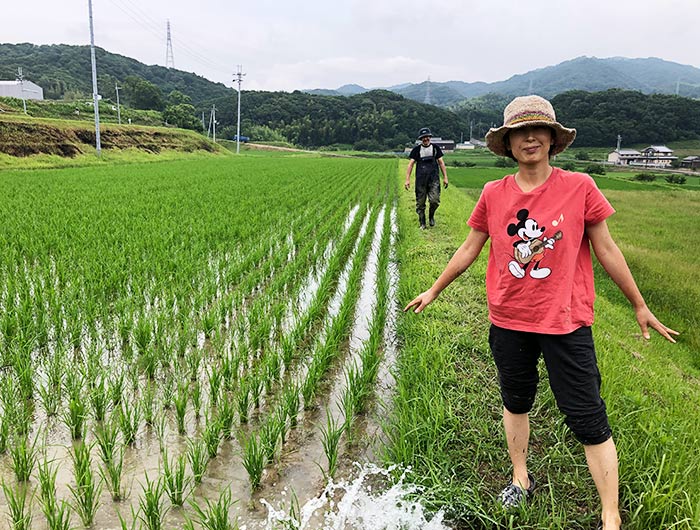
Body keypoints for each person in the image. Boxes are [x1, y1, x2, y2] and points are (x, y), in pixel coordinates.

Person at [403, 95, 678, 530]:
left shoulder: (580, 187)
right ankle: (520, 476)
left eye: (538, 129)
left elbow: (606, 248)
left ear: (552, 138)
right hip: (508, 319)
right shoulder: (494, 194)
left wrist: (639, 304)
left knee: (587, 414)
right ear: (508, 143)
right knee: (516, 400)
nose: (530, 137)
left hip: (565, 322)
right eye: (519, 132)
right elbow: (470, 248)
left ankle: (611, 515)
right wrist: (435, 289)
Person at [405, 127, 449, 229]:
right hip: (421, 181)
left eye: (427, 137)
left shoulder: (435, 148)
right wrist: (407, 179)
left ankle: (431, 216)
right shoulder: (416, 150)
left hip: (434, 180)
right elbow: (411, 164)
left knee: (434, 201)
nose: (425, 139)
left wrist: (445, 177)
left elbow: (441, 163)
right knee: (420, 203)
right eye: (423, 137)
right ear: (421, 139)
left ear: (430, 137)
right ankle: (422, 222)